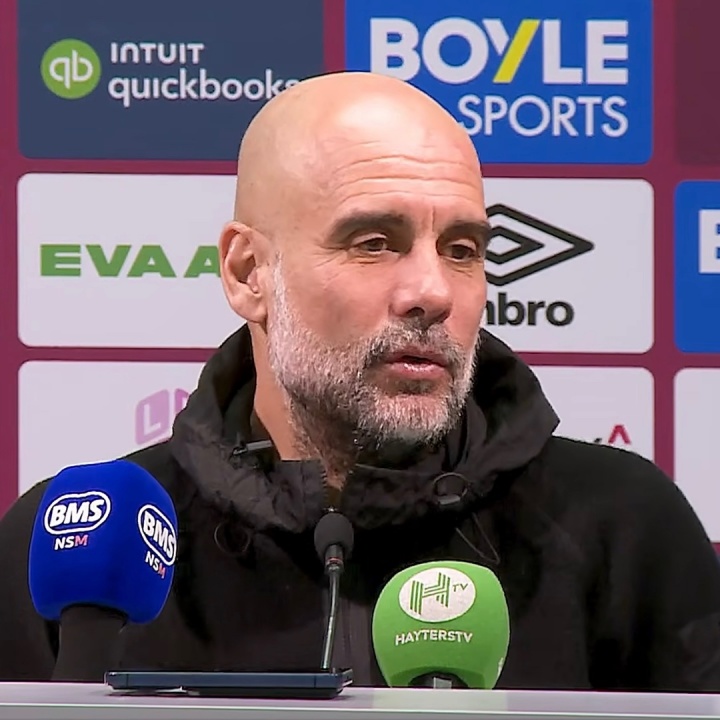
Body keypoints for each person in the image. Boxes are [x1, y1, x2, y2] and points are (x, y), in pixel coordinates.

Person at [1, 71, 720, 691]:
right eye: (374, 243)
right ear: (249, 274)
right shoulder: (72, 544)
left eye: (462, 249)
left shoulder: (625, 529)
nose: (432, 291)